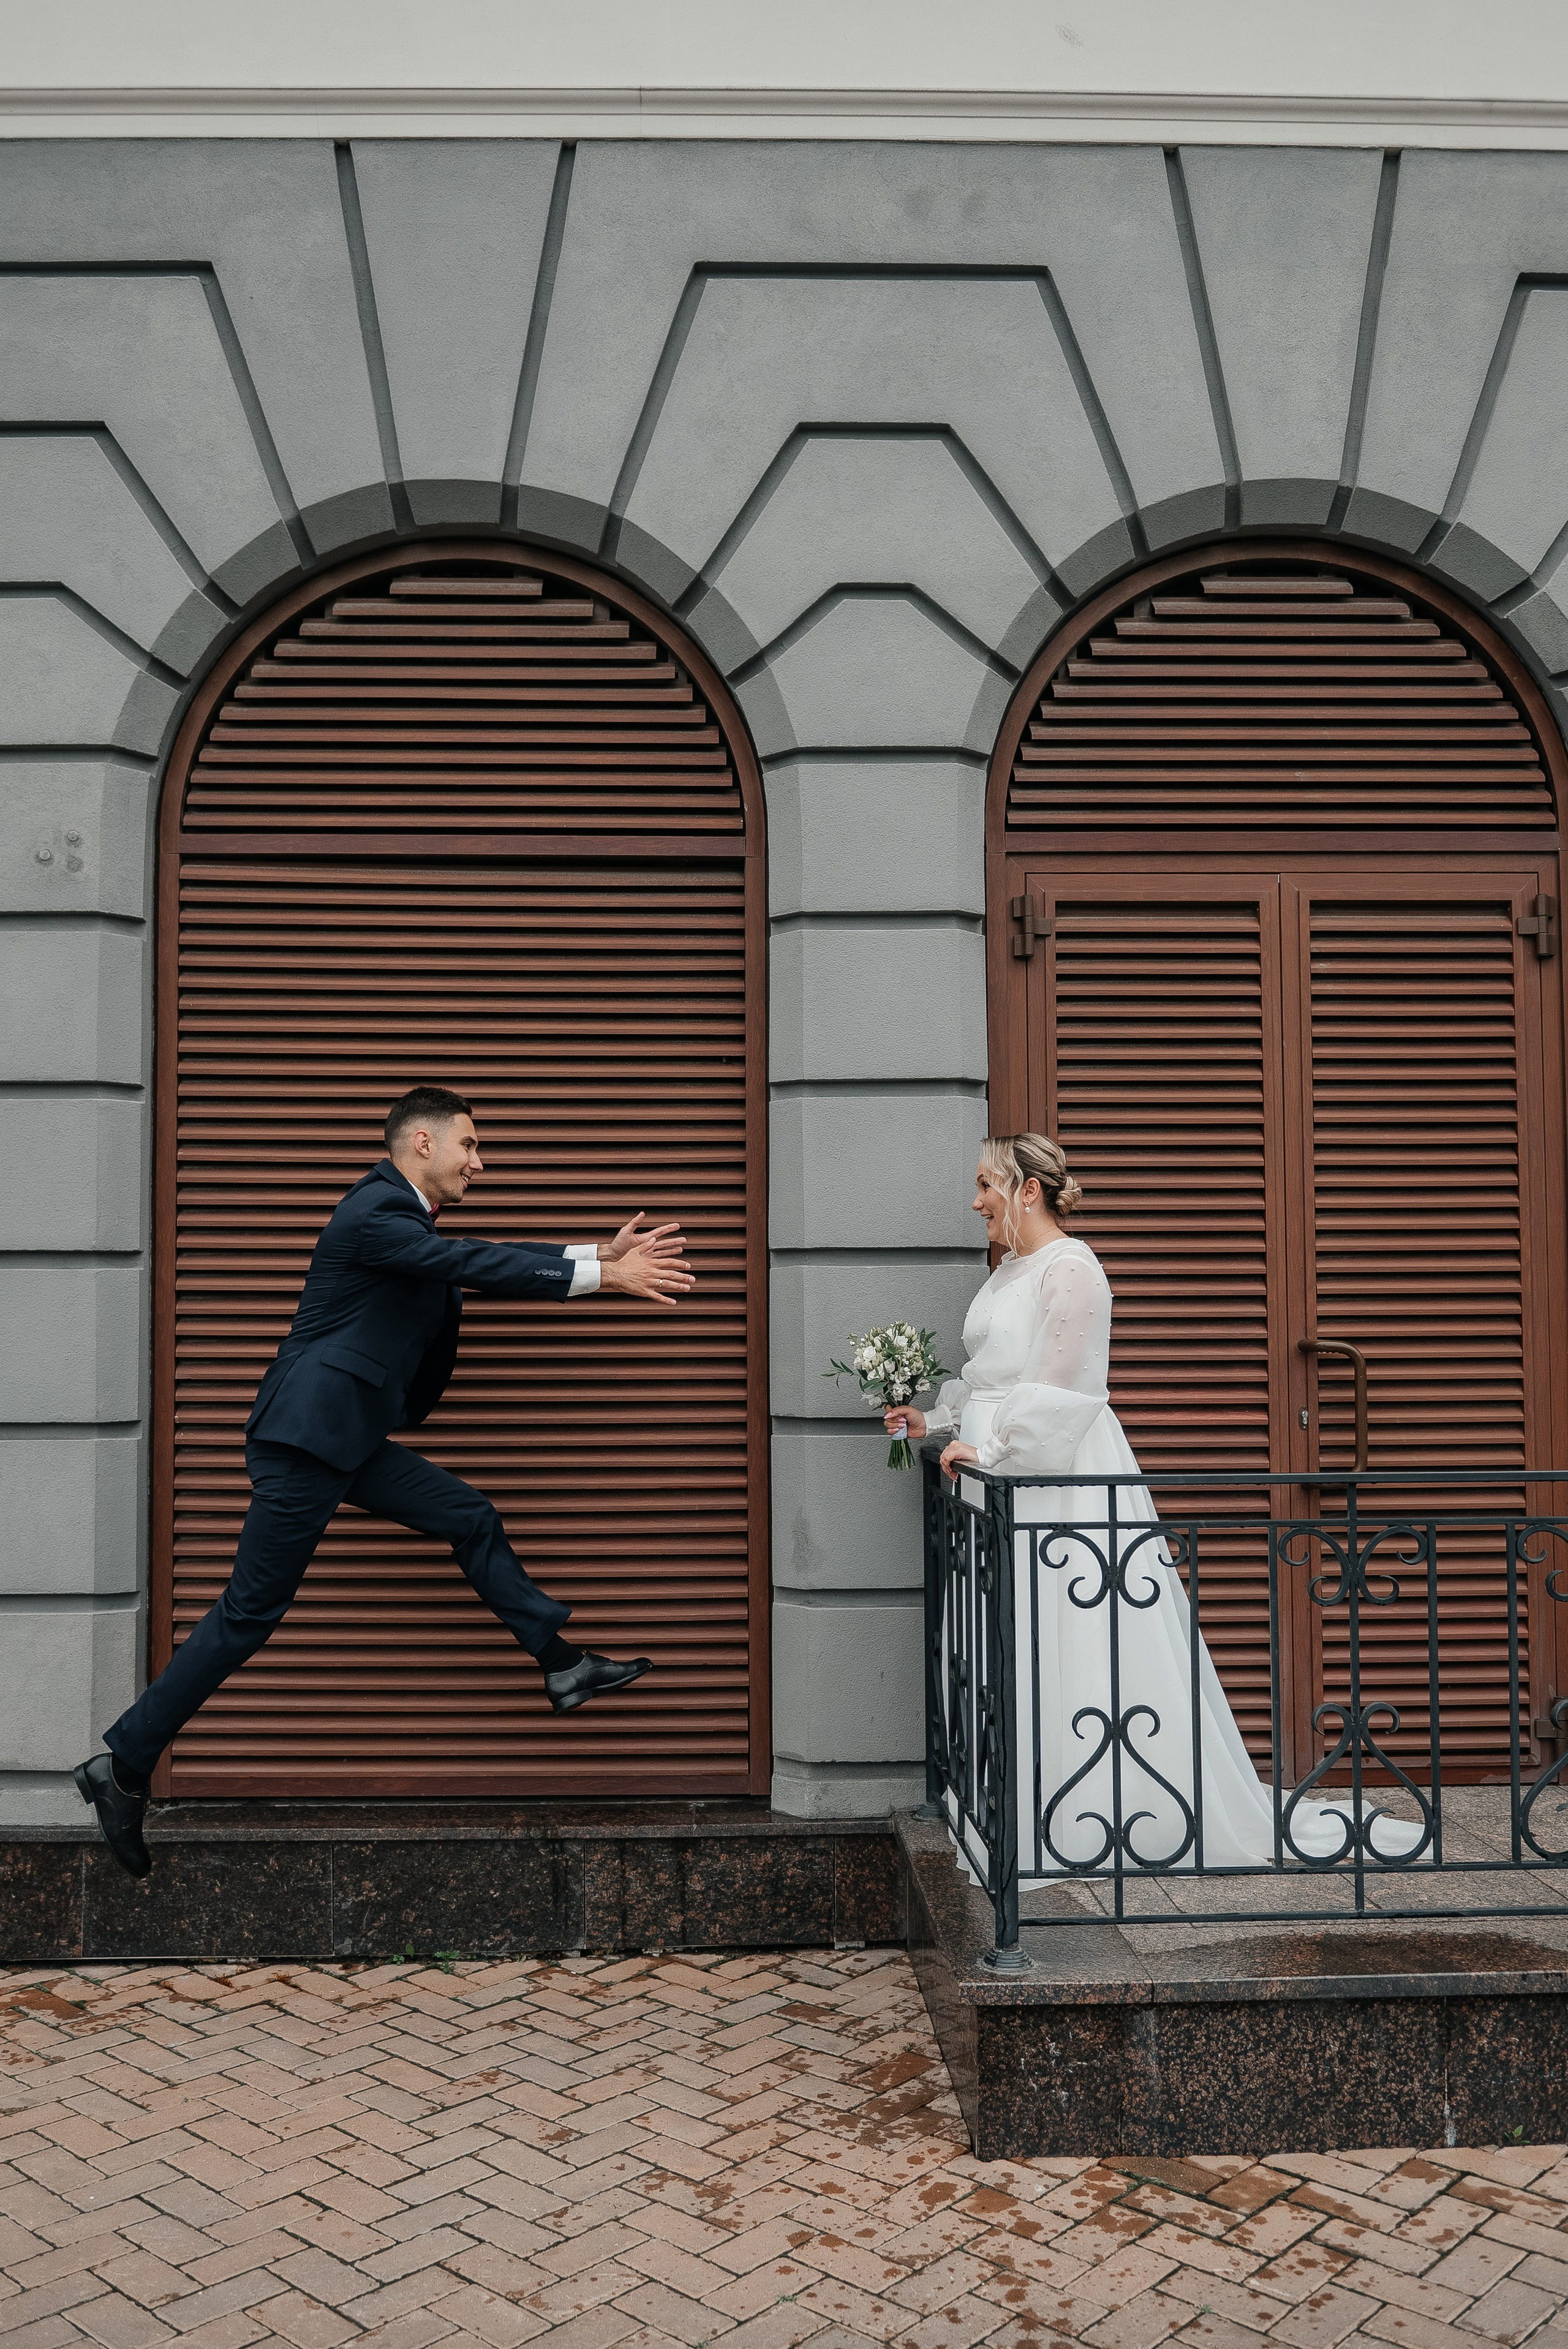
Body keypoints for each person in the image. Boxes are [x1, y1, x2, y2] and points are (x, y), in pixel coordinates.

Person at [75, 1085, 696, 1878]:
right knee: (248, 1615)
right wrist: (600, 1279)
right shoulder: (374, 1212)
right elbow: (466, 1262)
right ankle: (124, 1765)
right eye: (470, 1143)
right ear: (423, 1145)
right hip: (306, 1441)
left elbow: (467, 1257)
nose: (482, 1159)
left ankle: (561, 1661)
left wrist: (596, 1257)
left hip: (348, 1438)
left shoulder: (405, 1224)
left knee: (467, 1515)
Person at [885, 1133, 1420, 1882]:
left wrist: (996, 1453)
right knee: (1014, 1638)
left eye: (985, 1185)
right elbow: (991, 1379)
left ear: (1026, 1191)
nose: (975, 1201)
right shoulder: (1009, 1269)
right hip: (994, 1474)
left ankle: (1091, 1811)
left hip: (1052, 1477)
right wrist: (933, 1423)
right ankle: (1017, 1798)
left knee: (1068, 1638)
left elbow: (1061, 1388)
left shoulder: (1074, 1270)